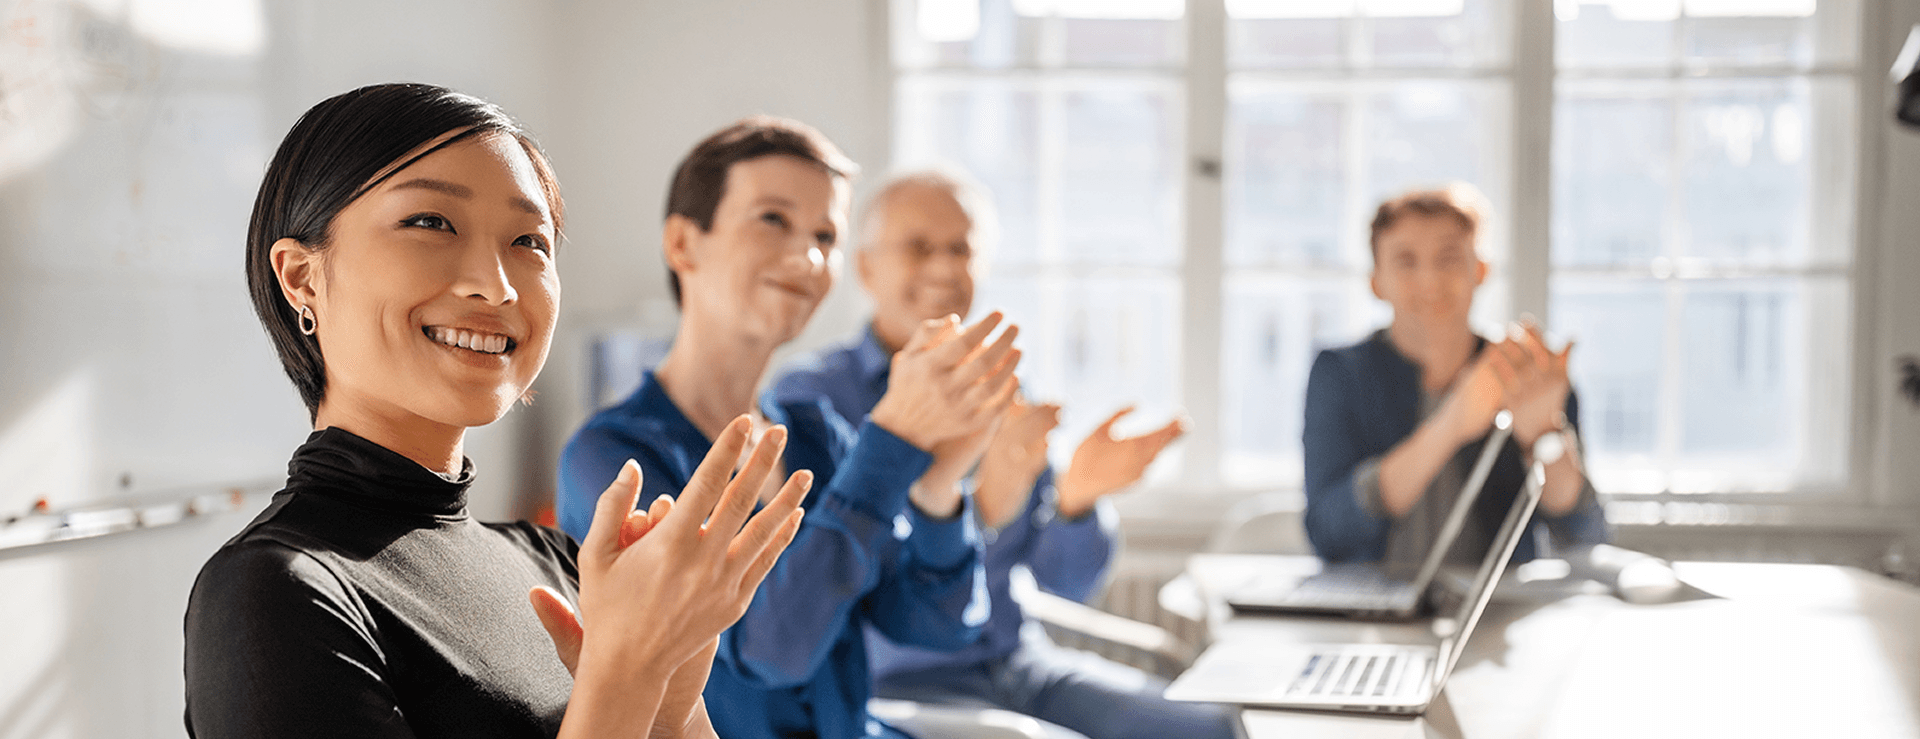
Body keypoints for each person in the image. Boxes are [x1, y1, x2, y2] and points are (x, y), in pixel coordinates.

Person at [184, 83, 810, 739]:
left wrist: (673, 689)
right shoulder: (272, 589)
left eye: (529, 241)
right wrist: (626, 675)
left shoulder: (554, 560)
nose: (497, 284)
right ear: (301, 278)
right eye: (431, 222)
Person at [556, 119, 1020, 739]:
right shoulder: (616, 458)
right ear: (682, 244)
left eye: (825, 236)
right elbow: (771, 652)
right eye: (773, 219)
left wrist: (938, 482)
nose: (807, 258)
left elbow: (933, 626)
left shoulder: (815, 435)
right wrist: (889, 444)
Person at [768, 170, 1239, 739]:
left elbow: (1063, 583)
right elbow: (834, 594)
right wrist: (981, 509)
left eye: (960, 249)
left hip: (1023, 669)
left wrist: (1076, 502)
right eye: (919, 248)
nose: (944, 268)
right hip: (896, 688)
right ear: (866, 268)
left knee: (1222, 730)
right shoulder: (808, 403)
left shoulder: (1002, 390)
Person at [1303, 184, 1609, 569]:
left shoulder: (1528, 373)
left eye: (1448, 258)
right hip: (1369, 614)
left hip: (1496, 615)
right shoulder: (1339, 374)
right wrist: (1453, 423)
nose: (1430, 281)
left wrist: (1544, 435)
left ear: (1480, 270)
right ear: (1375, 281)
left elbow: (1585, 535)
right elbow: (1328, 534)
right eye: (1406, 261)